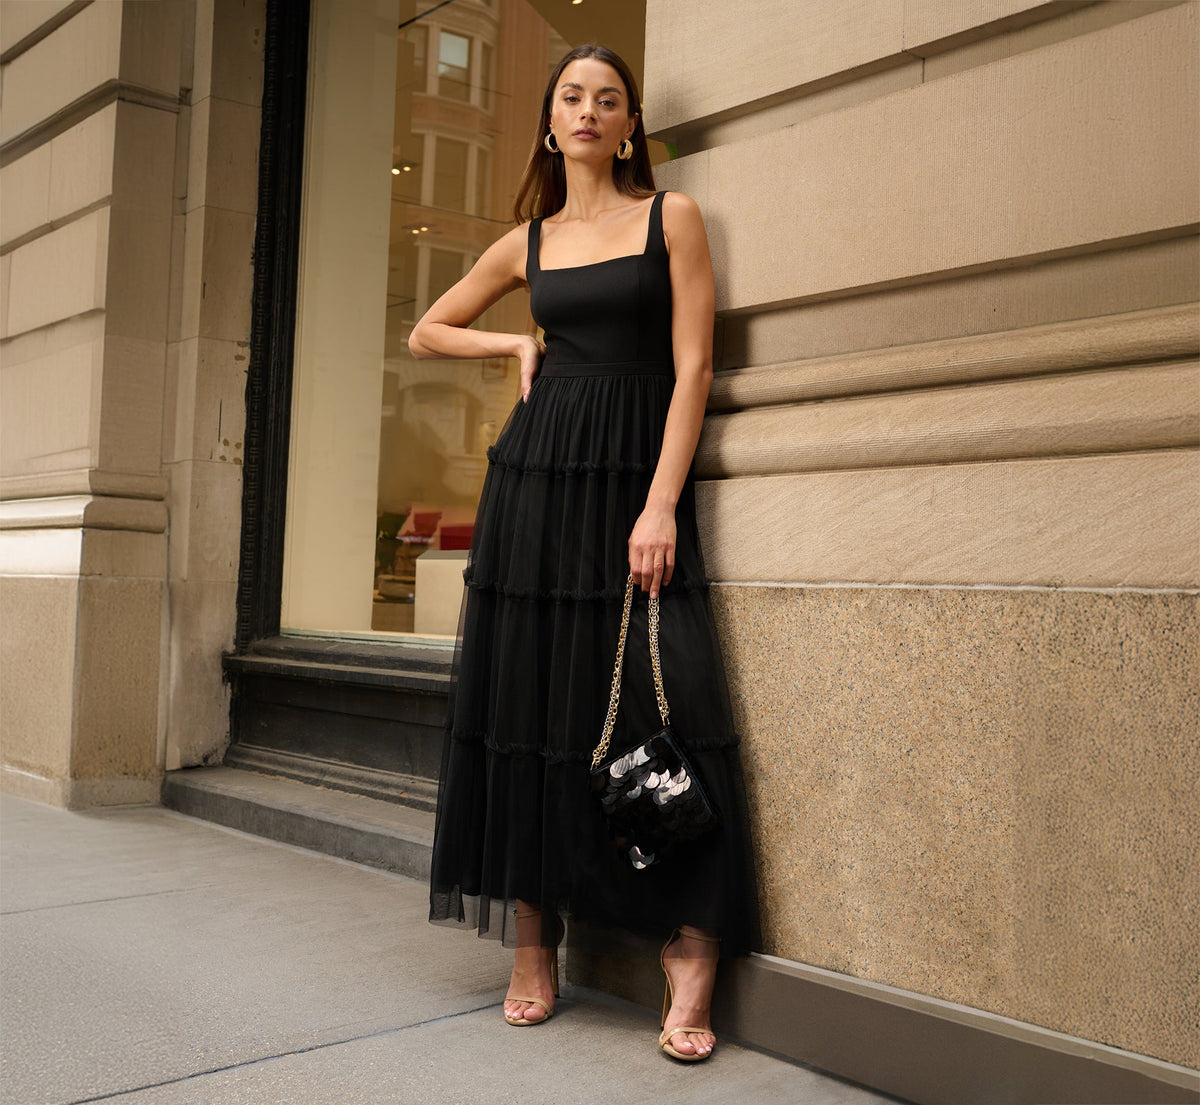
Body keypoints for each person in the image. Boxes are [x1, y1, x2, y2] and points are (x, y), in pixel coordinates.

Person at [411, 43, 759, 1062]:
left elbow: (694, 369)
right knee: (531, 706)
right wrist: (514, 345)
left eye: (609, 99)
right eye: (572, 96)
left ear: (629, 122)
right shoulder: (529, 240)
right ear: (550, 120)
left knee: (675, 700)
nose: (589, 112)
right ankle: (534, 940)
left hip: (631, 484)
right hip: (536, 485)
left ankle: (689, 953)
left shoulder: (672, 218)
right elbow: (430, 328)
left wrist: (662, 505)